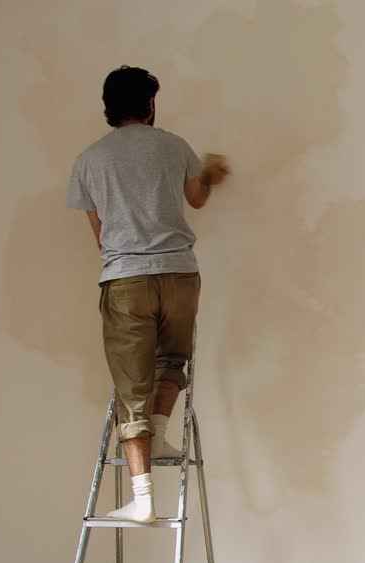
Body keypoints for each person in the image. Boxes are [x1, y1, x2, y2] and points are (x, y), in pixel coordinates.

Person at [67, 65, 231, 523]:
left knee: (131, 388)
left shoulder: (89, 160)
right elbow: (196, 198)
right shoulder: (173, 146)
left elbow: (101, 236)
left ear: (109, 107)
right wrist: (210, 175)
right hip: (180, 276)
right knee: (172, 361)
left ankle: (143, 499)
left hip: (126, 280)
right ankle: (158, 433)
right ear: (150, 103)